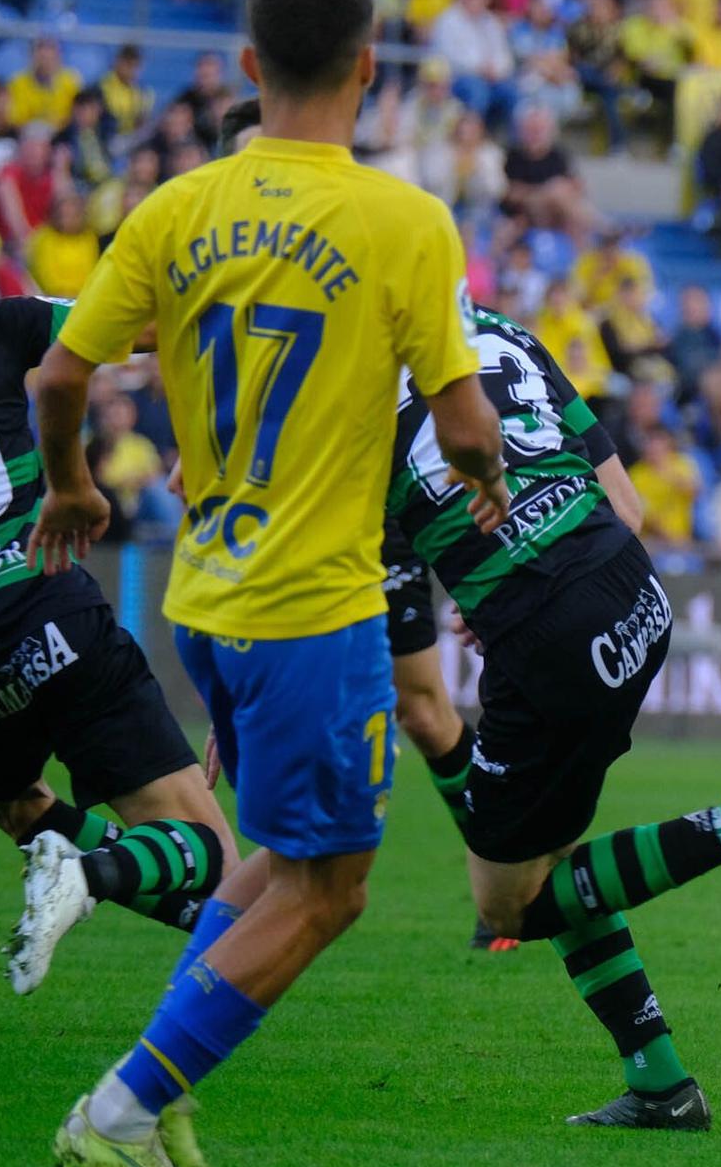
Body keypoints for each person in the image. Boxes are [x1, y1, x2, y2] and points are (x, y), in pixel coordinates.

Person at [27, 0, 510, 1167]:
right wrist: (488, 484)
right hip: (315, 609)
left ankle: (162, 1093)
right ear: (366, 68)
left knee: (277, 865)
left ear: (247, 67)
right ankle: (122, 1103)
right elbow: (461, 425)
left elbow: (60, 376)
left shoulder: (176, 209)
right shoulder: (403, 222)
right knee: (335, 886)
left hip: (206, 603)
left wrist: (74, 486)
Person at [386, 305, 721, 1128]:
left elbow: (415, 689)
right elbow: (627, 504)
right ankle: (661, 1083)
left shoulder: (357, 393)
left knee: (510, 904)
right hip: (635, 592)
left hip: (550, 637)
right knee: (561, 860)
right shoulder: (498, 327)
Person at [0, 209, 237, 994]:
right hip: (44, 605)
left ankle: (113, 883)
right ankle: (99, 876)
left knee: (23, 808)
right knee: (211, 853)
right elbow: (149, 334)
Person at [218, 94, 511, 953]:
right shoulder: (211, 263)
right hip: (280, 518)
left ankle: (502, 874)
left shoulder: (340, 234)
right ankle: (250, 915)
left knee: (424, 708)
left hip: (371, 497)